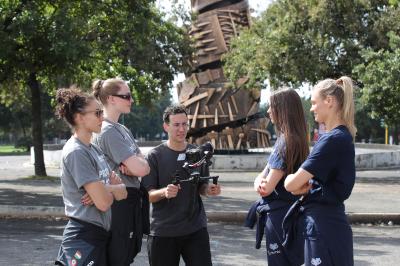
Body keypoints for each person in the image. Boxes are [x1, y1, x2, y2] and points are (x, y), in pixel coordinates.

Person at [284, 76, 357, 266]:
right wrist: (307, 188)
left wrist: (301, 185)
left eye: (314, 102)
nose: (311, 108)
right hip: (328, 225)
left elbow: (291, 184)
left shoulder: (332, 140)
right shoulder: (340, 136)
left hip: (324, 227)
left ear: (329, 101)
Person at [54, 87, 127, 266]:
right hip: (84, 236)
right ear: (79, 117)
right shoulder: (76, 152)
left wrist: (106, 188)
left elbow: (123, 191)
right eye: (97, 113)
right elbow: (103, 203)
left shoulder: (94, 149)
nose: (102, 117)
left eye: (101, 112)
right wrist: (109, 190)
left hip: (100, 234)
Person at [141, 104, 221, 266]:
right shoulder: (154, 156)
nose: (181, 129)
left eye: (185, 124)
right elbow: (148, 196)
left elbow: (202, 185)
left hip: (195, 229)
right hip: (163, 232)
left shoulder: (197, 153)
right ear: (166, 126)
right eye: (176, 124)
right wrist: (165, 192)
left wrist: (209, 189)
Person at [92, 78, 150, 266]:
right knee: (118, 256)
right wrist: (137, 166)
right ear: (111, 99)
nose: (131, 100)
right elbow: (141, 167)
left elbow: (145, 167)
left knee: (127, 252)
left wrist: (137, 166)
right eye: (126, 96)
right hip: (120, 203)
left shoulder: (122, 129)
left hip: (131, 199)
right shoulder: (108, 131)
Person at [246, 89, 308, 266]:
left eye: (271, 107)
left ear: (282, 109)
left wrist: (257, 181)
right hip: (295, 214)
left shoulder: (284, 142)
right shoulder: (298, 139)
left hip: (280, 217)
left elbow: (265, 187)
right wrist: (261, 179)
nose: (268, 111)